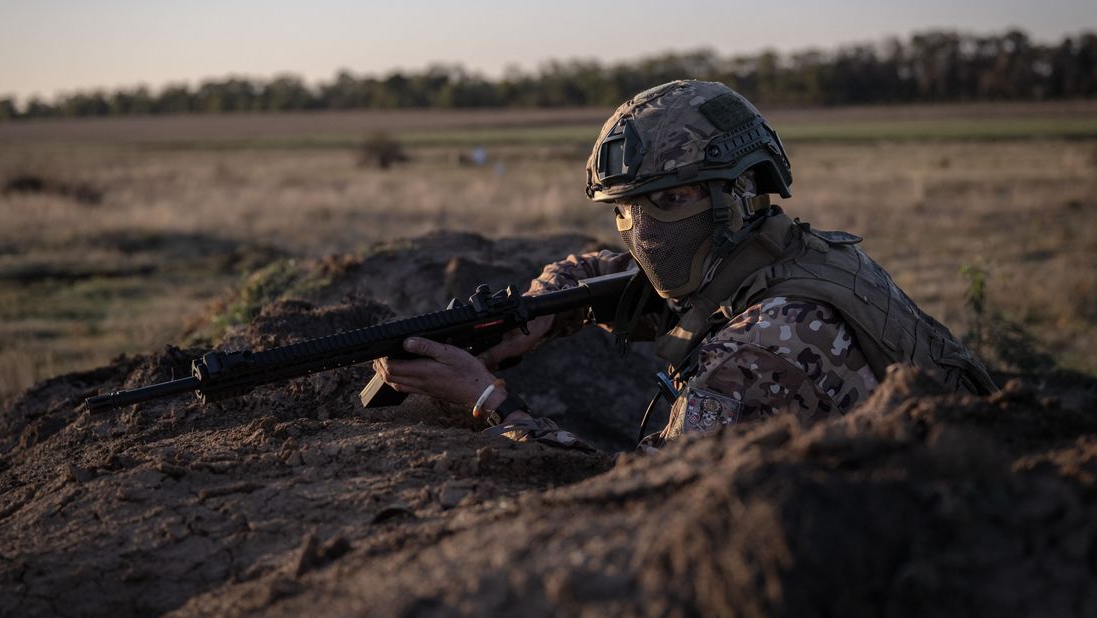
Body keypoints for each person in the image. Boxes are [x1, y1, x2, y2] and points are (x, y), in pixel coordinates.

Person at [372, 80, 996, 452]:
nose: (642, 232)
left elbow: (632, 502)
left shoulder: (761, 351)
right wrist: (543, 309)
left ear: (741, 193)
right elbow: (628, 278)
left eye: (670, 201)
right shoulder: (793, 254)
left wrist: (486, 399)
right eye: (626, 209)